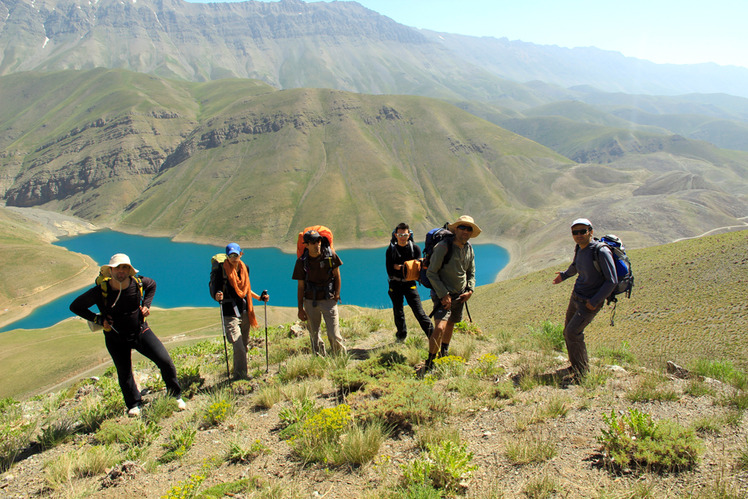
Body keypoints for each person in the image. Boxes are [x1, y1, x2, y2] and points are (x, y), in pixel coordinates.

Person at [70, 254, 185, 417]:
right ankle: (134, 404)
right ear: (110, 270)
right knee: (124, 372)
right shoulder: (100, 291)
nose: (121, 271)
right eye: (117, 267)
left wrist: (146, 305)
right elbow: (75, 306)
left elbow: (152, 285)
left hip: (140, 331)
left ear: (129, 270)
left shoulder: (137, 283)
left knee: (165, 361)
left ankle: (175, 396)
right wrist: (98, 319)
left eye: (124, 267)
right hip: (115, 337)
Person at [553, 218, 618, 377]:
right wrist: (564, 276)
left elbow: (612, 281)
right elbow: (576, 266)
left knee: (573, 333)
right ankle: (575, 366)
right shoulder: (580, 248)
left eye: (583, 231)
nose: (579, 235)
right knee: (567, 332)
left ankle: (582, 373)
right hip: (576, 297)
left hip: (589, 303)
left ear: (591, 231)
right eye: (575, 232)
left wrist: (594, 302)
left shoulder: (601, 251)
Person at [425, 215, 480, 371]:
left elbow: (471, 271)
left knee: (451, 324)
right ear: (455, 229)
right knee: (440, 327)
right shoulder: (443, 247)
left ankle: (444, 351)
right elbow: (431, 273)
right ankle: (430, 362)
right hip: (443, 295)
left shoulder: (469, 248)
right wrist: (444, 294)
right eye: (462, 227)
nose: (466, 231)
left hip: (460, 295)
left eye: (469, 229)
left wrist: (470, 290)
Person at [210, 243, 269, 380]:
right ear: (227, 256)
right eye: (231, 255)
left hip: (244, 310)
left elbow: (246, 289)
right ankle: (241, 376)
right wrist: (217, 296)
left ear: (241, 254)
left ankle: (239, 372)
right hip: (229, 312)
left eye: (236, 255)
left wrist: (259, 298)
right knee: (238, 346)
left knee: (244, 345)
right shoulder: (221, 270)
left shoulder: (244, 268)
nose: (233, 258)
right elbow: (216, 290)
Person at [292, 229, 346, 356]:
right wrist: (300, 308)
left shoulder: (330, 255)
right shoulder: (301, 262)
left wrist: (337, 295)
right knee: (314, 335)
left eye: (318, 241)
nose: (316, 244)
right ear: (306, 245)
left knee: (333, 334)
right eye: (312, 242)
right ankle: (319, 359)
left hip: (328, 299)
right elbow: (300, 286)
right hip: (310, 301)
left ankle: (340, 358)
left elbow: (337, 275)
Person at [386, 222, 433, 342]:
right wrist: (407, 267)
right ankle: (401, 336)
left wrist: (401, 267)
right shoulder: (391, 250)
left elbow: (418, 267)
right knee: (398, 312)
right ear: (396, 235)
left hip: (410, 285)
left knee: (419, 311)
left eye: (405, 235)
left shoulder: (415, 248)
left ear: (409, 235)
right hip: (395, 284)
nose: (402, 237)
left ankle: (433, 336)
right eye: (400, 235)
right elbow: (389, 269)